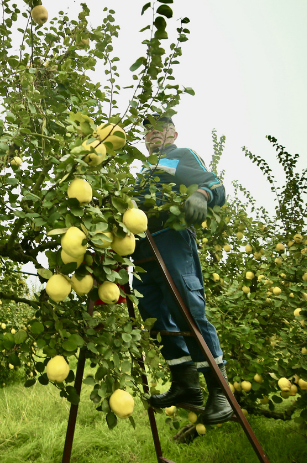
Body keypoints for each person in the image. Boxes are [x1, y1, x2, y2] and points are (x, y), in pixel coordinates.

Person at [131, 114, 233, 425]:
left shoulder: (179, 155)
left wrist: (201, 195)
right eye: (148, 131)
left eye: (160, 129)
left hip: (172, 238)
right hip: (142, 246)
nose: (153, 135)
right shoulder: (142, 170)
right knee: (154, 312)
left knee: (187, 307)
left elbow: (213, 183)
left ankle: (221, 391)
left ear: (174, 132)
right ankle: (186, 383)